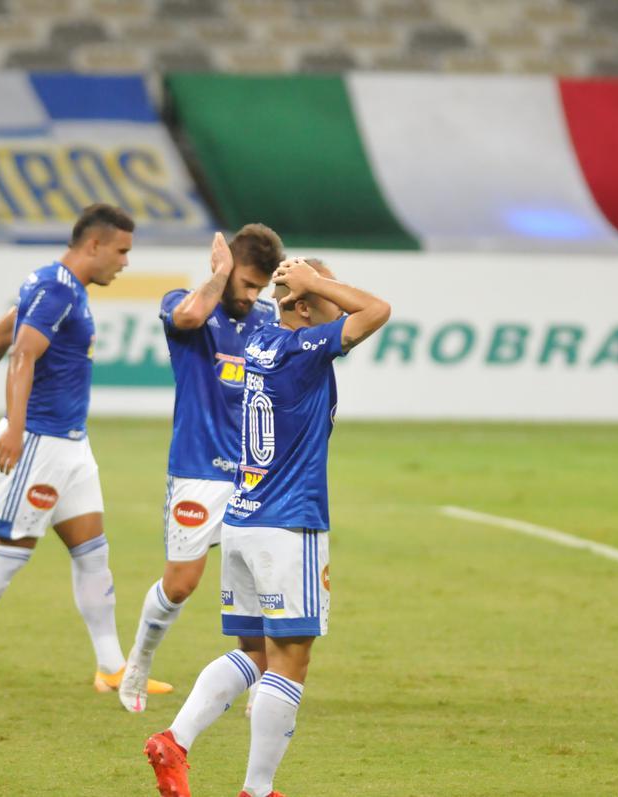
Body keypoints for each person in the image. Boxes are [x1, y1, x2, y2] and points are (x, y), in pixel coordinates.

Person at [144, 258, 390, 797]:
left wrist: (305, 286)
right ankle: (257, 790)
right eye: (323, 294)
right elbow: (376, 310)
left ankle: (175, 741)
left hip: (242, 519)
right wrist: (315, 283)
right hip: (288, 525)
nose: (335, 299)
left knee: (255, 654)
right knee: (291, 659)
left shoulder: (260, 344)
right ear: (302, 305)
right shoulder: (305, 350)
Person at [0, 203, 168, 697]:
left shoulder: (56, 284)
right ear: (93, 245)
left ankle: (112, 668)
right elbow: (21, 354)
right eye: (122, 250)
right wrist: (16, 428)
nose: (126, 262)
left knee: (93, 554)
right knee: (8, 555)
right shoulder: (55, 288)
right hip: (39, 445)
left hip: (70, 446)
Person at [118, 223, 283, 713]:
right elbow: (190, 316)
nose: (252, 296)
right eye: (247, 284)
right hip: (196, 470)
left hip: (254, 475)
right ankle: (138, 663)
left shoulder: (268, 318)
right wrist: (218, 277)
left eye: (260, 287)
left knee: (259, 580)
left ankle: (263, 683)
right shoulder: (184, 303)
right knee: (181, 583)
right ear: (227, 268)